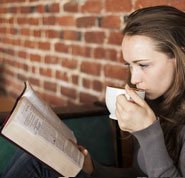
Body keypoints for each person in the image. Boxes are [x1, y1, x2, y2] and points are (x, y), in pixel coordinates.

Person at [1, 5, 185, 178]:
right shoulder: (156, 105)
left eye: (143, 65)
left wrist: (147, 133)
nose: (134, 78)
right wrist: (93, 169)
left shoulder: (151, 120)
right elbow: (140, 174)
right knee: (38, 157)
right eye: (129, 65)